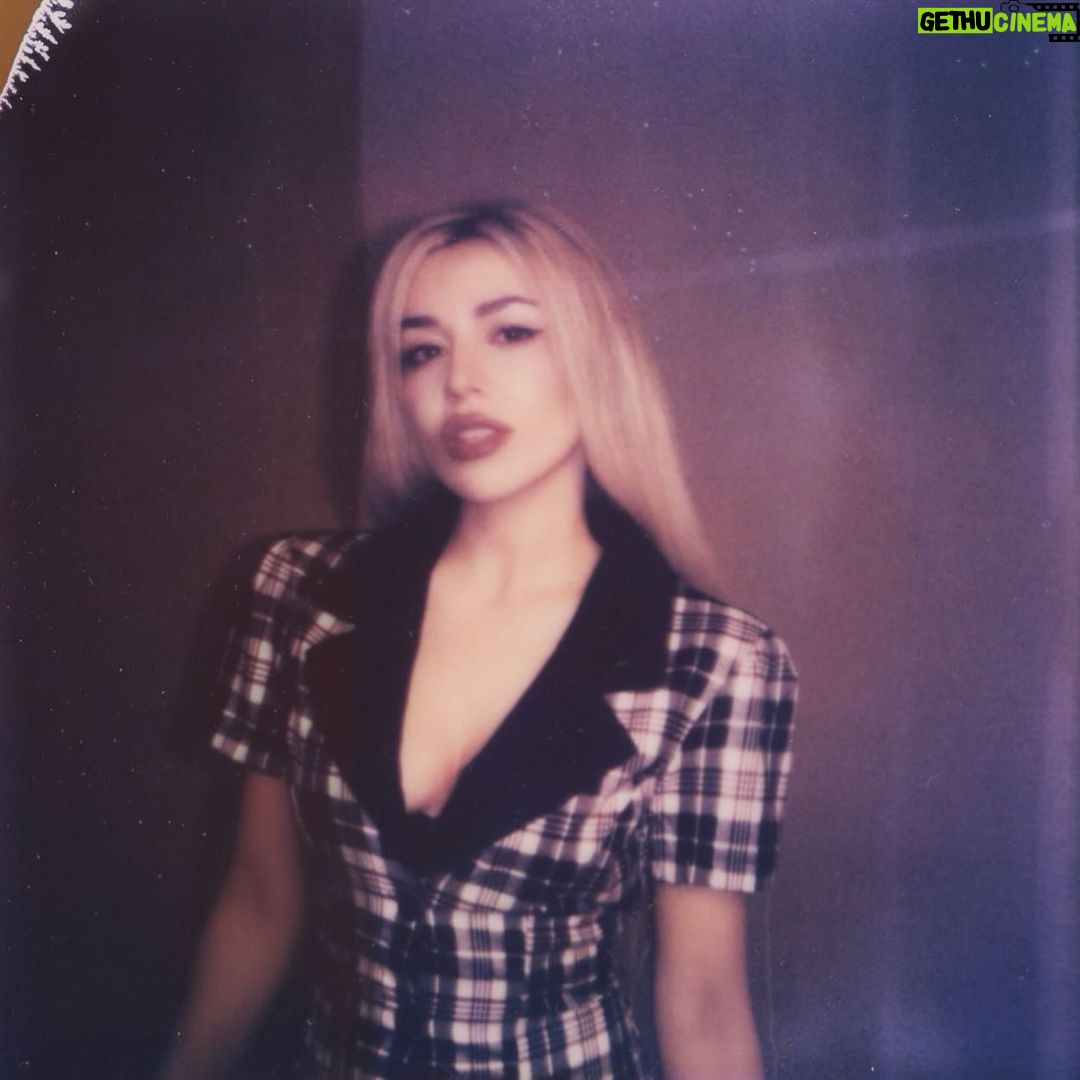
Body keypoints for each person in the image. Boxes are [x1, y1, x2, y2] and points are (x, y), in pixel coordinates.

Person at [161, 201, 797, 1080]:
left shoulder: (719, 663)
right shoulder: (293, 591)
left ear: (597, 357)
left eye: (511, 333)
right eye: (421, 351)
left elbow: (704, 1005)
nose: (460, 381)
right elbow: (260, 902)